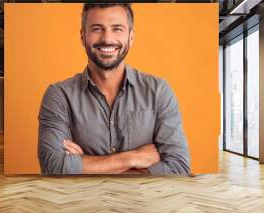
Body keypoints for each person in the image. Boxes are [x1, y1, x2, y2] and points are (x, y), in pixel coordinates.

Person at [38, 3, 190, 175]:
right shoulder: (59, 95)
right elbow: (53, 166)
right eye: (96, 28)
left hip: (144, 201)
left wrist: (84, 165)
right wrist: (132, 158)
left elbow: (179, 167)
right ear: (82, 36)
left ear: (131, 37)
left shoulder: (159, 91)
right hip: (80, 201)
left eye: (117, 29)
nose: (107, 38)